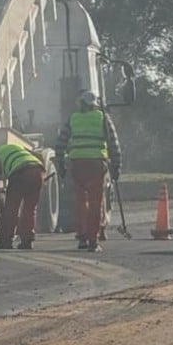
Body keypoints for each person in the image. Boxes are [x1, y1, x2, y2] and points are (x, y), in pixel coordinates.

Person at [55, 90, 122, 252]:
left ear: (81, 104)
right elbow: (114, 144)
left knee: (80, 202)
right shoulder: (103, 117)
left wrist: (61, 164)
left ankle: (82, 237)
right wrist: (117, 166)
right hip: (96, 164)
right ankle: (93, 240)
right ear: (95, 104)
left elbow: (60, 143)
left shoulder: (73, 118)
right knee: (95, 203)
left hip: (77, 164)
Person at [0, 142, 46, 250]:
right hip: (37, 170)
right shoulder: (15, 146)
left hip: (19, 173)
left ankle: (6, 241)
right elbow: (39, 156)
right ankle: (27, 241)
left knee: (11, 209)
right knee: (29, 209)